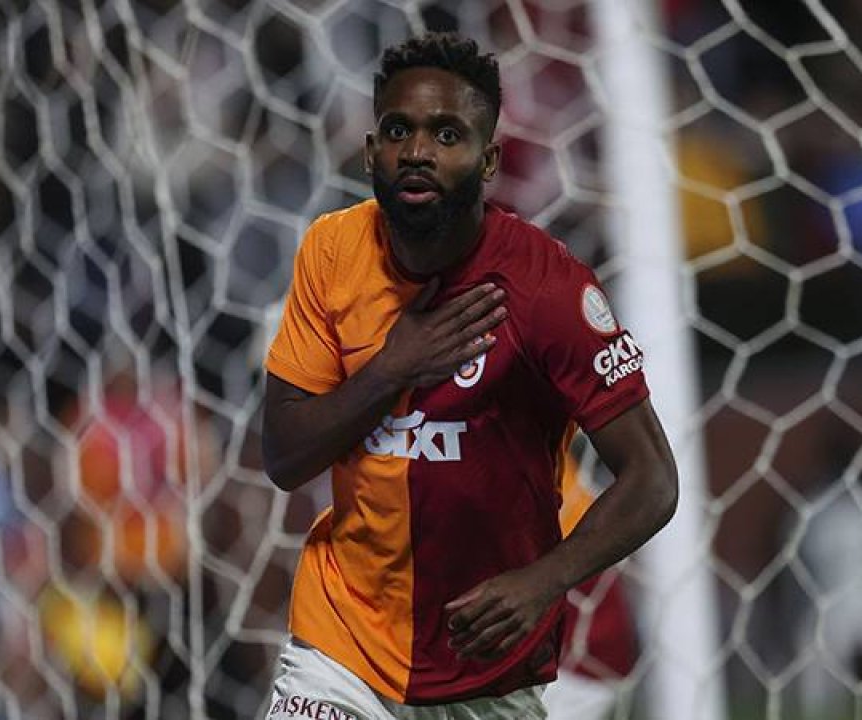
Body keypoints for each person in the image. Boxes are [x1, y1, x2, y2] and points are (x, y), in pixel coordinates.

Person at [259, 32, 678, 720]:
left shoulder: (547, 288)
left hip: (486, 667)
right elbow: (283, 455)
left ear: (488, 161)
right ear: (371, 151)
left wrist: (544, 582)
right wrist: (391, 369)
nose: (417, 151)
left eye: (446, 134)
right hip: (342, 648)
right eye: (399, 130)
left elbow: (653, 479)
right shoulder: (330, 253)